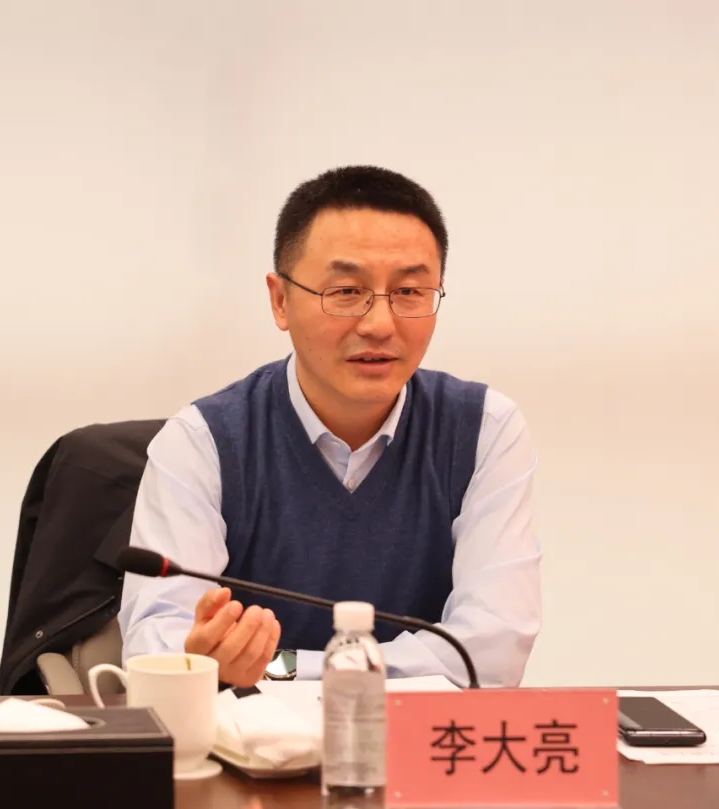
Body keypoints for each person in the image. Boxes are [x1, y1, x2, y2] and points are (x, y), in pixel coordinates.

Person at [118, 165, 541, 688]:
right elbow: (158, 645)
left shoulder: (483, 431)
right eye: (345, 291)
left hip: (411, 737)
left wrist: (281, 667)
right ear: (280, 300)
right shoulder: (201, 442)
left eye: (410, 292)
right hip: (248, 738)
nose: (379, 324)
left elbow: (492, 651)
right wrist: (203, 657)